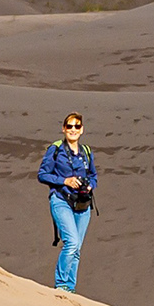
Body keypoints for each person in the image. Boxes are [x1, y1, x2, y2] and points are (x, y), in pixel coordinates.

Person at [36, 112, 98, 292]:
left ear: (82, 130)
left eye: (77, 126)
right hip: (61, 200)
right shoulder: (56, 150)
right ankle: (61, 285)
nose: (73, 130)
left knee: (76, 248)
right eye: (69, 126)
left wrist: (89, 186)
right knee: (71, 242)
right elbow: (42, 174)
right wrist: (65, 181)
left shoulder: (86, 152)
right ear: (63, 129)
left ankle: (70, 289)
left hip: (82, 204)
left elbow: (94, 176)